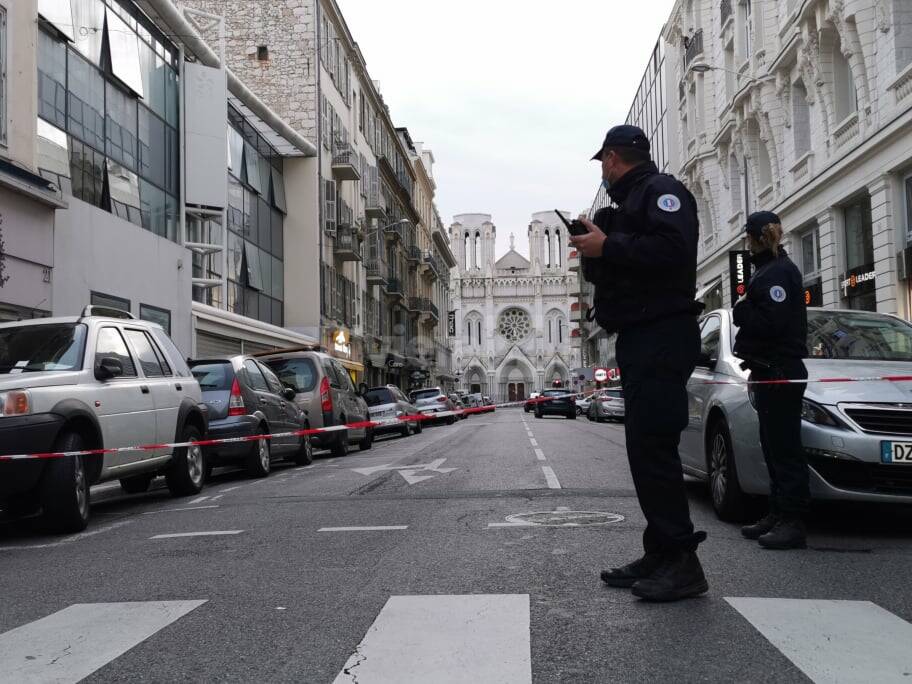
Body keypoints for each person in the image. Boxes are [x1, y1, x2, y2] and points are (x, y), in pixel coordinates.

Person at [570, 125, 707, 602]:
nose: (603, 173)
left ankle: (682, 563)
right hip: (641, 334)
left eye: (603, 164)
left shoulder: (662, 191)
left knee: (654, 449)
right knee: (645, 451)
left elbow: (672, 252)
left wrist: (610, 245)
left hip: (662, 333)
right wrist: (597, 248)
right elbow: (623, 267)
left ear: (610, 158)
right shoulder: (630, 203)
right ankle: (661, 551)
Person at [733, 211, 809, 550]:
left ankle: (791, 521)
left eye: (748, 238)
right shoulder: (769, 269)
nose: (746, 245)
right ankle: (778, 513)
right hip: (769, 370)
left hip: (780, 371)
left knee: (785, 449)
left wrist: (741, 309)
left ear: (757, 237)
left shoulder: (777, 272)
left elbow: (771, 323)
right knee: (773, 446)